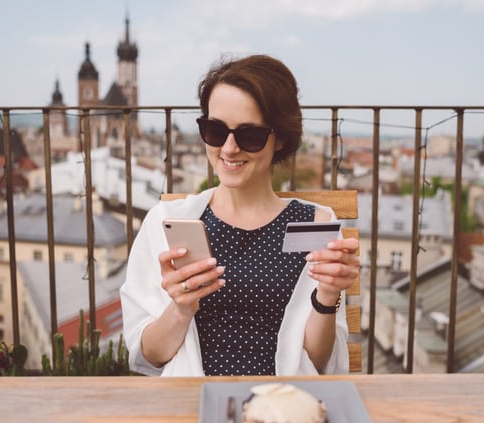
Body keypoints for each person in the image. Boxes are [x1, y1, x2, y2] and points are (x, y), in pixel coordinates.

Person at [121, 54, 359, 376]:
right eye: (215, 131)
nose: (229, 149)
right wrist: (180, 309)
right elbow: (149, 357)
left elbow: (316, 364)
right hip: (194, 405)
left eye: (249, 135)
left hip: (280, 406)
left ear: (282, 139)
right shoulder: (166, 222)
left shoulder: (313, 224)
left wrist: (328, 295)